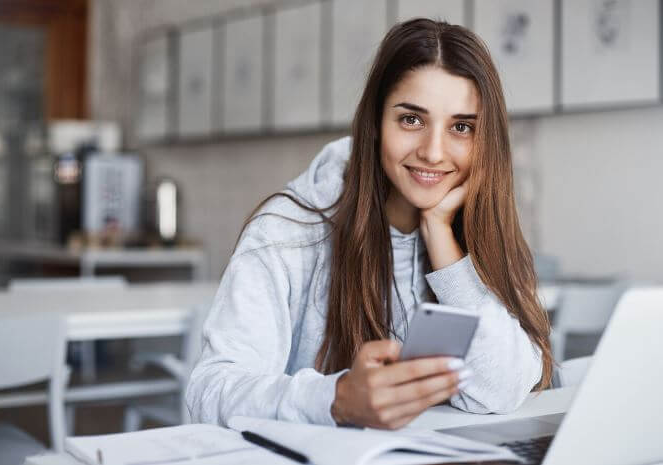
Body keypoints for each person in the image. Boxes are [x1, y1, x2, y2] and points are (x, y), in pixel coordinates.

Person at [186, 18, 553, 430]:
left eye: (462, 127)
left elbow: (501, 389)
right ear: (375, 124)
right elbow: (210, 391)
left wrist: (443, 245)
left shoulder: (476, 235)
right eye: (411, 120)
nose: (433, 152)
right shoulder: (286, 232)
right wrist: (335, 399)